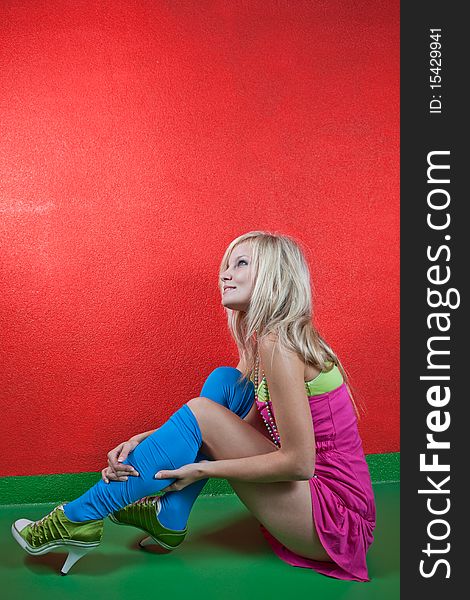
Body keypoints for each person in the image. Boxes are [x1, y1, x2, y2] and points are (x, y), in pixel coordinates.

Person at [11, 230, 376, 581]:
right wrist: (145, 438)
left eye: (241, 264)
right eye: (227, 266)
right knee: (224, 384)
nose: (225, 275)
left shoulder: (279, 344)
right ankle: (171, 514)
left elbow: (299, 463)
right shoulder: (265, 342)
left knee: (203, 410)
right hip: (314, 501)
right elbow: (234, 425)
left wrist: (203, 471)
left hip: (336, 521)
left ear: (273, 277)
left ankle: (79, 517)